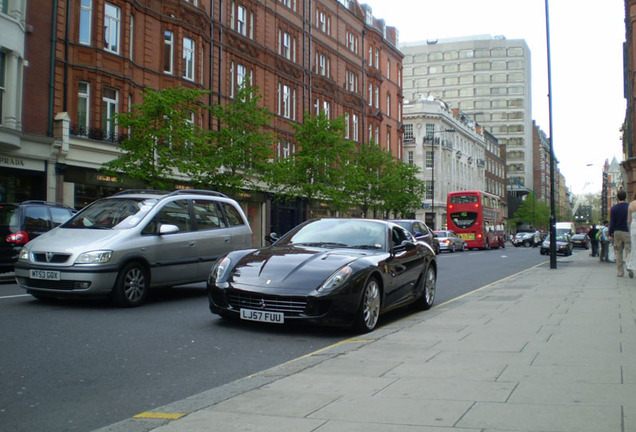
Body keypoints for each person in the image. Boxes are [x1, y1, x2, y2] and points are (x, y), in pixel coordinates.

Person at [609, 189, 632, 277]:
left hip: (617, 232)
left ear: (617, 198)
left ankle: (620, 271)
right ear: (625, 197)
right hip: (627, 231)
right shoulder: (629, 206)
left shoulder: (614, 208)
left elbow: (612, 222)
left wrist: (610, 233)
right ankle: (629, 268)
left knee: (618, 251)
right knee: (628, 251)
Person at [627, 191, 636, 277]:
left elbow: (628, 220)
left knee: (634, 248)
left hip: (633, 227)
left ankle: (630, 266)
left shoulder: (631, 204)